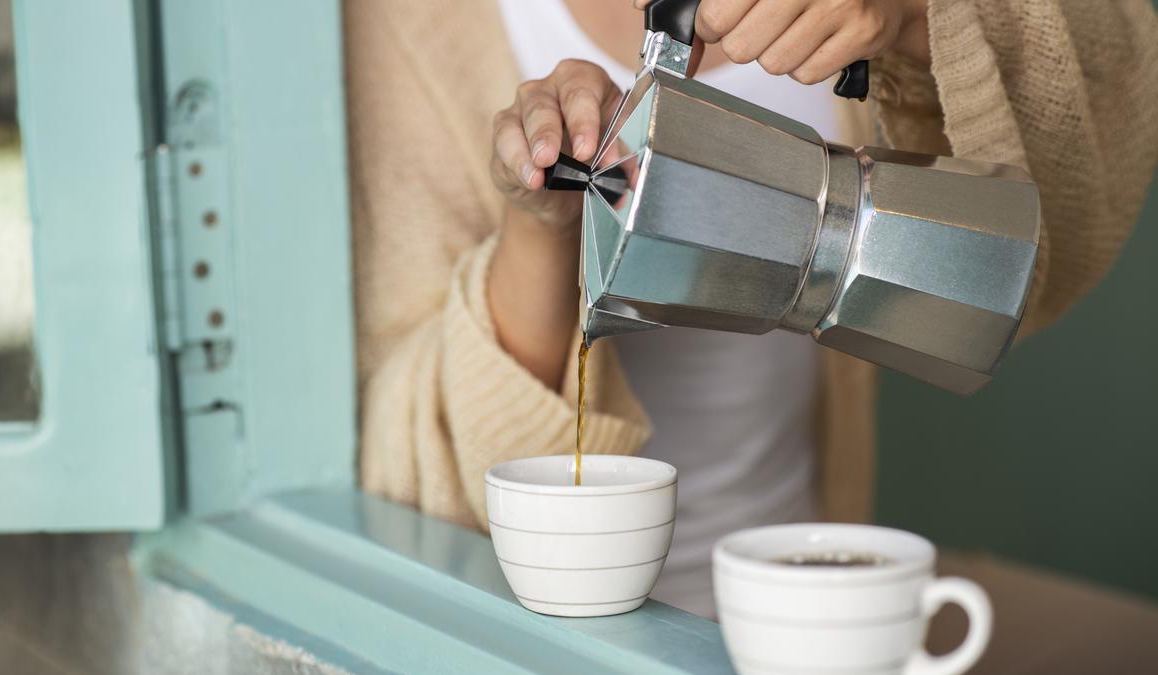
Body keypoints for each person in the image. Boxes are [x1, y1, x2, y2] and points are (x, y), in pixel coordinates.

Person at [348, 0, 1158, 650]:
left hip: (806, 600)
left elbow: (1115, 66)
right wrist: (540, 227)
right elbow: (407, 468)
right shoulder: (409, 29)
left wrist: (916, 20)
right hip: (536, 643)